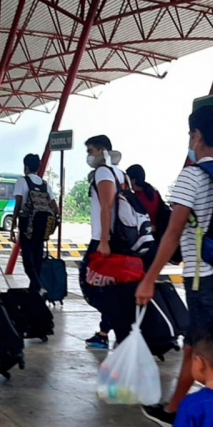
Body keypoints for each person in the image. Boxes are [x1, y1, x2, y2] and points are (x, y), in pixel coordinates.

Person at [136, 105, 213, 427]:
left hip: (202, 280)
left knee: (208, 353)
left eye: (190, 135)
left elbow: (173, 233)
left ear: (197, 136)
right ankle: (175, 408)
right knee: (195, 345)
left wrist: (149, 278)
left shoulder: (192, 175)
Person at [81, 135, 125, 349]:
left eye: (90, 151)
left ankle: (121, 325)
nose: (88, 156)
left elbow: (107, 206)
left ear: (102, 150)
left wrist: (105, 241)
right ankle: (104, 333)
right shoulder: (120, 172)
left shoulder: (103, 172)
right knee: (109, 288)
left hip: (103, 239)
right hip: (116, 238)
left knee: (88, 283)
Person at [12, 153, 59, 295]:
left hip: (27, 224)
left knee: (28, 259)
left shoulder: (22, 181)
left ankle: (38, 287)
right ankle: (35, 290)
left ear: (26, 166)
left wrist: (13, 223)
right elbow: (55, 208)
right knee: (37, 258)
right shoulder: (45, 185)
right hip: (42, 225)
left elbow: (18, 203)